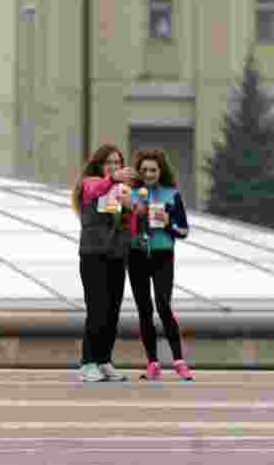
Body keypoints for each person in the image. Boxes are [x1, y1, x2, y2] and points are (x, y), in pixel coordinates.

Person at [72, 144, 138, 382]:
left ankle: (104, 360)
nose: (114, 167)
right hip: (93, 255)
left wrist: (131, 210)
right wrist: (112, 179)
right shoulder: (90, 183)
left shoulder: (122, 190)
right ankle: (88, 362)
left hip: (116, 256)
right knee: (97, 309)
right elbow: (96, 190)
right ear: (99, 165)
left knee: (112, 311)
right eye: (109, 162)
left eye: (118, 163)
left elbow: (128, 227)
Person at [127, 148, 194, 381]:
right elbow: (119, 226)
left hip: (163, 254)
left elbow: (183, 230)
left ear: (160, 171)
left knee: (163, 304)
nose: (148, 173)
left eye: (153, 170)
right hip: (136, 255)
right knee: (144, 309)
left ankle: (179, 361)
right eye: (144, 170)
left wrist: (167, 223)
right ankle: (152, 363)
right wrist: (132, 213)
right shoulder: (130, 194)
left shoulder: (172, 195)